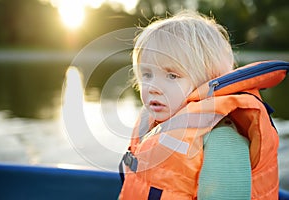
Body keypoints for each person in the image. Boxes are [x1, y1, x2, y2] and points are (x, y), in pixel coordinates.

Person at [119, 10, 279, 199]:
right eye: (147, 74)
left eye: (172, 75)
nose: (153, 87)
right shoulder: (155, 121)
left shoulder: (222, 140)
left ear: (208, 82)